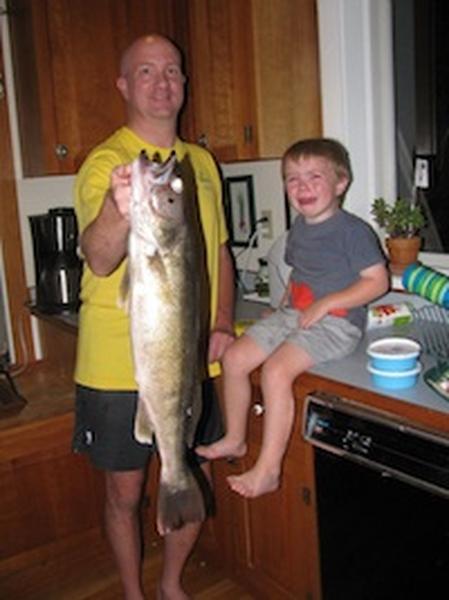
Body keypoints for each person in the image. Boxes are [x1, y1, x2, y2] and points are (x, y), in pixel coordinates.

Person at [72, 34, 235, 600]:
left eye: (172, 70)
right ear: (123, 85)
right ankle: (132, 594)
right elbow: (97, 256)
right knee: (124, 493)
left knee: (190, 472)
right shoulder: (106, 163)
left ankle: (170, 585)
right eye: (146, 71)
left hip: (189, 359)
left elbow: (217, 252)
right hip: (117, 365)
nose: (163, 81)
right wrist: (121, 209)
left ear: (184, 85)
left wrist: (220, 322)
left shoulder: (203, 164)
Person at [196, 138, 389, 498]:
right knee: (233, 357)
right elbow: (302, 273)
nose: (302, 187)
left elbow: (378, 282)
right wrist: (283, 304)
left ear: (341, 183)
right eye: (292, 179)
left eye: (315, 176)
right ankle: (236, 439)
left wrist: (326, 303)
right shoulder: (299, 228)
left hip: (338, 322)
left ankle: (268, 470)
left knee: (275, 371)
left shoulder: (353, 231)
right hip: (295, 313)